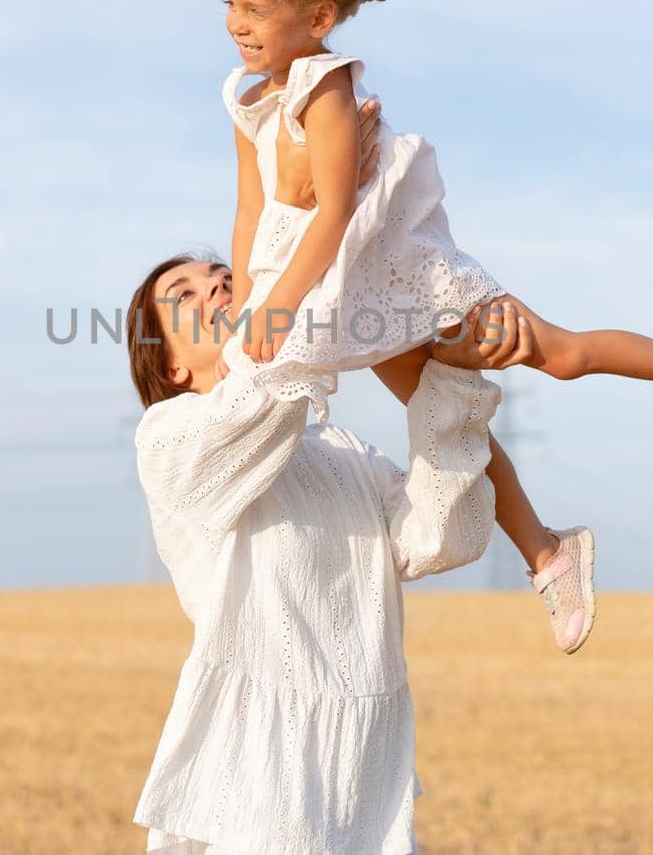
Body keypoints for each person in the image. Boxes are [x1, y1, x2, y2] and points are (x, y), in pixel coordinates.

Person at [213, 0, 653, 652]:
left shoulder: (325, 89)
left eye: (256, 7)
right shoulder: (245, 100)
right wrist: (249, 302)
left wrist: (279, 310)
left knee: (558, 354)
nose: (236, 21)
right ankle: (546, 551)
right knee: (448, 416)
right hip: (347, 294)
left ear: (320, 15)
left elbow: (334, 212)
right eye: (229, 2)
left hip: (401, 273)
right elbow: (251, 210)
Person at [126, 252, 533, 855]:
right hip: (260, 786)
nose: (215, 287)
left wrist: (449, 378)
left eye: (224, 276)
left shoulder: (339, 448)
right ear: (172, 366)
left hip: (366, 782)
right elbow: (264, 389)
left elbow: (444, 537)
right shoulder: (169, 440)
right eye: (185, 296)